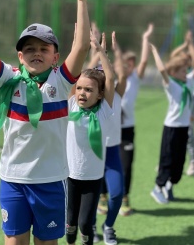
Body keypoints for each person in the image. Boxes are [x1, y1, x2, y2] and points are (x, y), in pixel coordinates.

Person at [0, 0, 93, 245]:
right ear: (20, 56)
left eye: (44, 48)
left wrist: (81, 1)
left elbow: (82, 47)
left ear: (55, 56)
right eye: (29, 49)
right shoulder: (9, 80)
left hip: (50, 181)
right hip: (13, 181)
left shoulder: (60, 83)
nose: (37, 53)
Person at [65, 32, 115, 245]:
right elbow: (69, 73)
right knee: (70, 222)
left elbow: (110, 79)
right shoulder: (71, 105)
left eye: (89, 90)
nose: (82, 93)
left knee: (86, 223)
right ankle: (70, 240)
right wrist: (78, 44)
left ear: (100, 95)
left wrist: (102, 53)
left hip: (93, 177)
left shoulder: (103, 110)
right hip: (69, 175)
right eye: (80, 88)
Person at [150, 32, 194, 204]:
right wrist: (155, 52)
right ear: (174, 72)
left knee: (179, 162)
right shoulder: (171, 85)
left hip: (184, 128)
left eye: (186, 70)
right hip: (171, 128)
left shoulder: (189, 81)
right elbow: (162, 70)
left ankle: (170, 184)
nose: (187, 72)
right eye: (183, 70)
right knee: (167, 159)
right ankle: (158, 187)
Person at [89, 31, 126, 245]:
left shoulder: (118, 91)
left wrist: (113, 52)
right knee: (91, 195)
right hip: (91, 150)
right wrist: (96, 52)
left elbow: (118, 72)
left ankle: (108, 226)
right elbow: (83, 73)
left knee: (116, 193)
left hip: (111, 150)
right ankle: (91, 225)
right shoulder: (88, 96)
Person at [119, 23, 153, 216]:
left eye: (133, 62)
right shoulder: (113, 78)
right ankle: (103, 198)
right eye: (127, 62)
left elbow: (144, 62)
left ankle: (125, 198)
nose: (130, 64)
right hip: (109, 128)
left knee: (126, 165)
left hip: (127, 130)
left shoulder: (135, 79)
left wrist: (145, 39)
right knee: (104, 164)